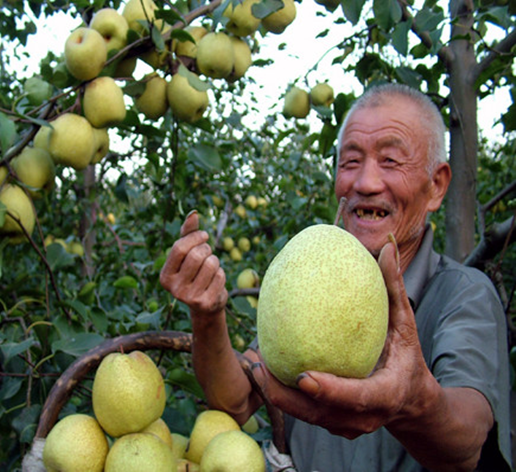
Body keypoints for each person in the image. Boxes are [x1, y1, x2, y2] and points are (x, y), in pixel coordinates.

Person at [159, 83, 512, 471]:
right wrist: (207, 315)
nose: (365, 183)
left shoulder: (462, 295)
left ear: (437, 185)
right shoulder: (310, 281)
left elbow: (468, 439)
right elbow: (237, 399)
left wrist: (411, 403)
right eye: (350, 161)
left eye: (391, 161)